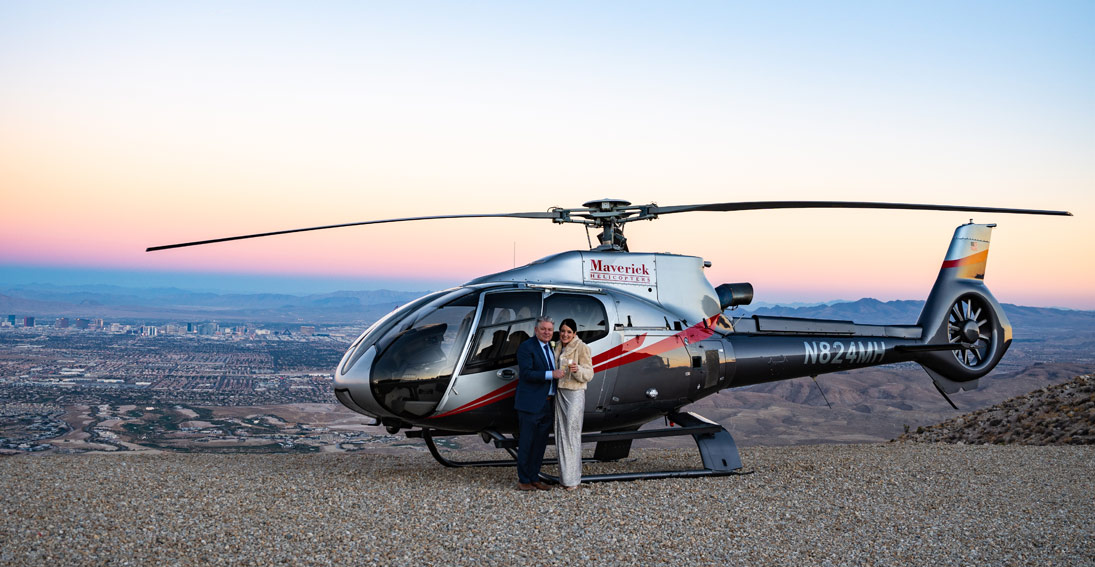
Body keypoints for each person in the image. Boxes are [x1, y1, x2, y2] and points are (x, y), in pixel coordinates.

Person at [514, 316, 565, 491]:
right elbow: (527, 374)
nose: (546, 332)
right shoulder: (526, 347)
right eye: (543, 329)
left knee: (540, 444)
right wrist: (551, 374)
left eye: (550, 330)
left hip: (547, 404)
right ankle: (524, 480)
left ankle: (534, 478)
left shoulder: (552, 348)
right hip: (530, 404)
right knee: (527, 443)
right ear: (536, 330)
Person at [552, 318, 594, 490]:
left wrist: (578, 371)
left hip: (575, 394)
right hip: (560, 393)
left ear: (575, 333)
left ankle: (572, 480)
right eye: (563, 331)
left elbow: (589, 372)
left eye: (569, 332)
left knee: (572, 434)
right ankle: (565, 478)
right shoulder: (558, 347)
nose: (565, 334)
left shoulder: (581, 347)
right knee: (560, 434)